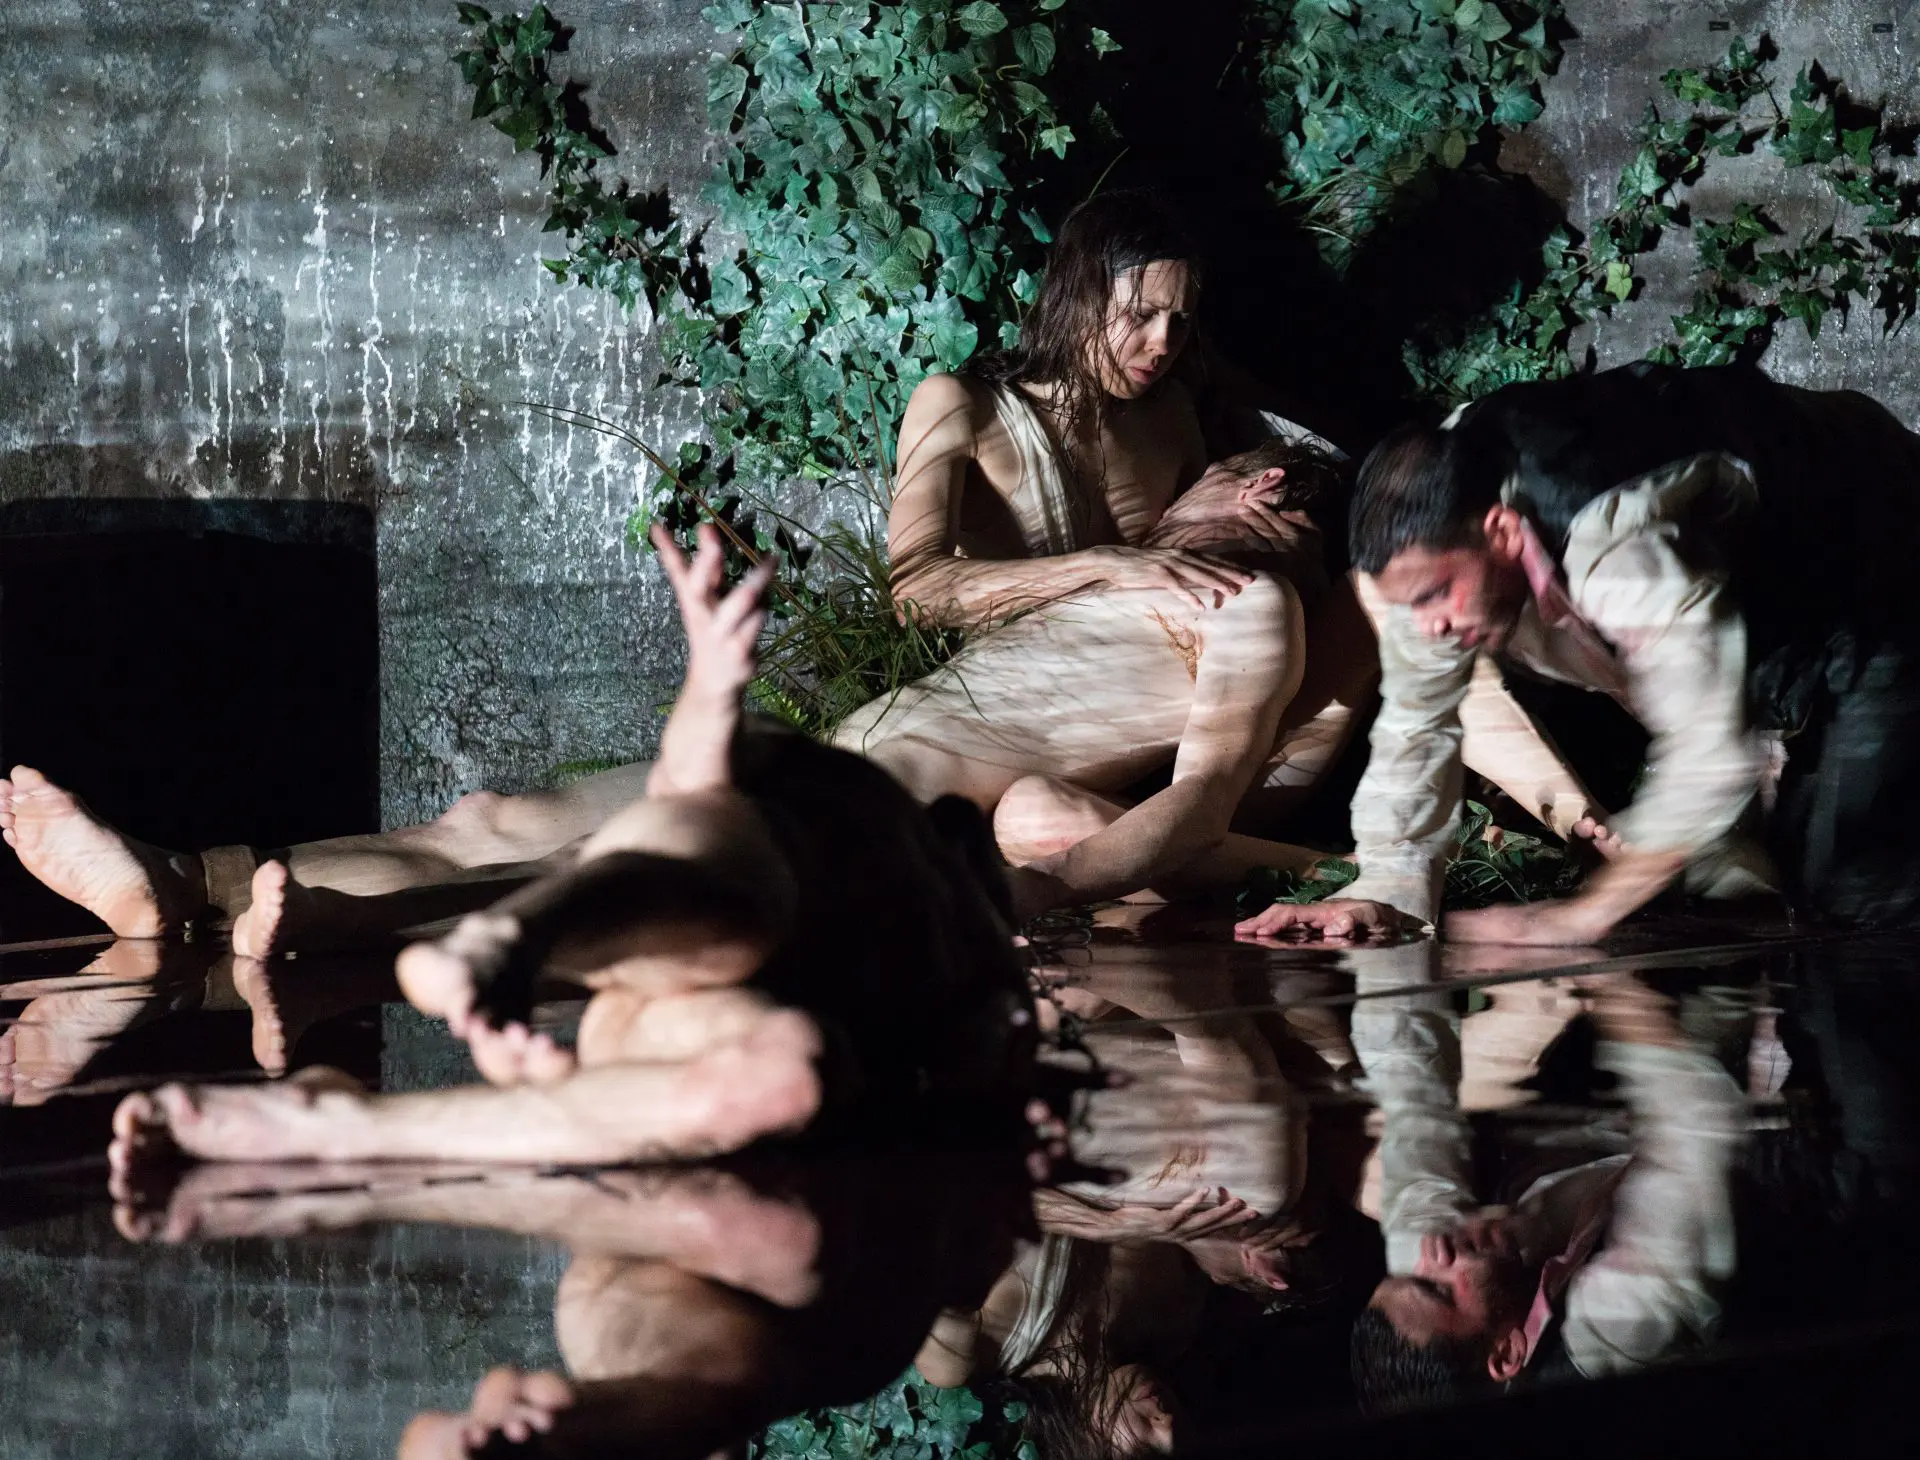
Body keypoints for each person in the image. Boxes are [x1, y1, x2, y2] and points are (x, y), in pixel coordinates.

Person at [106, 522, 1033, 1169]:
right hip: (792, 831)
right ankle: (191, 883)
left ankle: (362, 974)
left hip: (747, 916)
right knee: (509, 830)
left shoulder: (908, 917)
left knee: (684, 930)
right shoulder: (888, 835)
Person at [1238, 361, 1920, 948]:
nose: (1432, 627)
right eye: (1411, 607)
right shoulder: (1433, 520)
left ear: (1502, 531)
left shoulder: (1614, 547)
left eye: (1438, 596)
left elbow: (1708, 753)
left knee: (1861, 897)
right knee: (1779, 875)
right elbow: (1419, 727)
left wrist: (1575, 919)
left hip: (1883, 553)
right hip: (1758, 597)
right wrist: (1387, 892)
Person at [1345, 945, 1744, 1410]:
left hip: (1600, 1121)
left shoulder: (1428, 1262)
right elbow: (1695, 1132)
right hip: (1753, 1141)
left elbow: (1409, 1087)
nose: (1433, 1254)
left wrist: (1390, 918)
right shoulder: (1621, 1331)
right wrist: (1602, 972)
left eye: (1411, 1273)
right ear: (1509, 1352)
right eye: (1439, 1286)